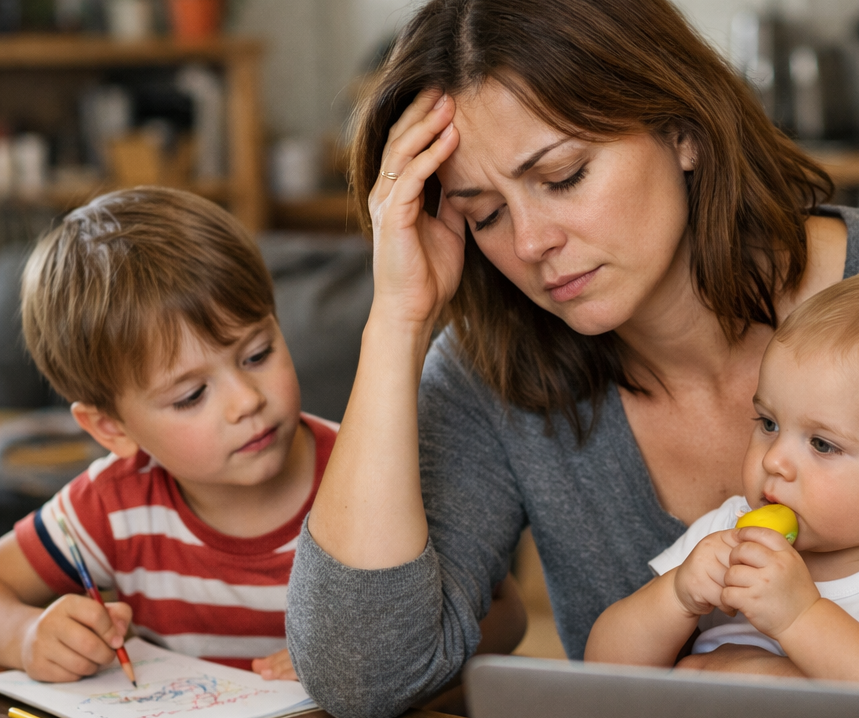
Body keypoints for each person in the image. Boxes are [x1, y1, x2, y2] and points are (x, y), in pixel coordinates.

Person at [286, 0, 859, 718]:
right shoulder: (493, 366)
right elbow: (359, 676)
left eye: (563, 176)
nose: (531, 243)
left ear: (683, 130)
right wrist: (398, 319)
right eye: (487, 214)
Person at [0, 185, 526, 683]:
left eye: (257, 355)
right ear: (110, 428)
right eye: (191, 396)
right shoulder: (111, 506)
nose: (246, 400)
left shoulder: (374, 479)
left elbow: (508, 615)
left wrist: (363, 668)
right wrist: (24, 636)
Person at [585, 269, 859, 689]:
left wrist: (800, 618)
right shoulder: (729, 530)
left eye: (822, 445)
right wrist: (677, 597)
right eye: (769, 424)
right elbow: (601, 672)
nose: (775, 460)